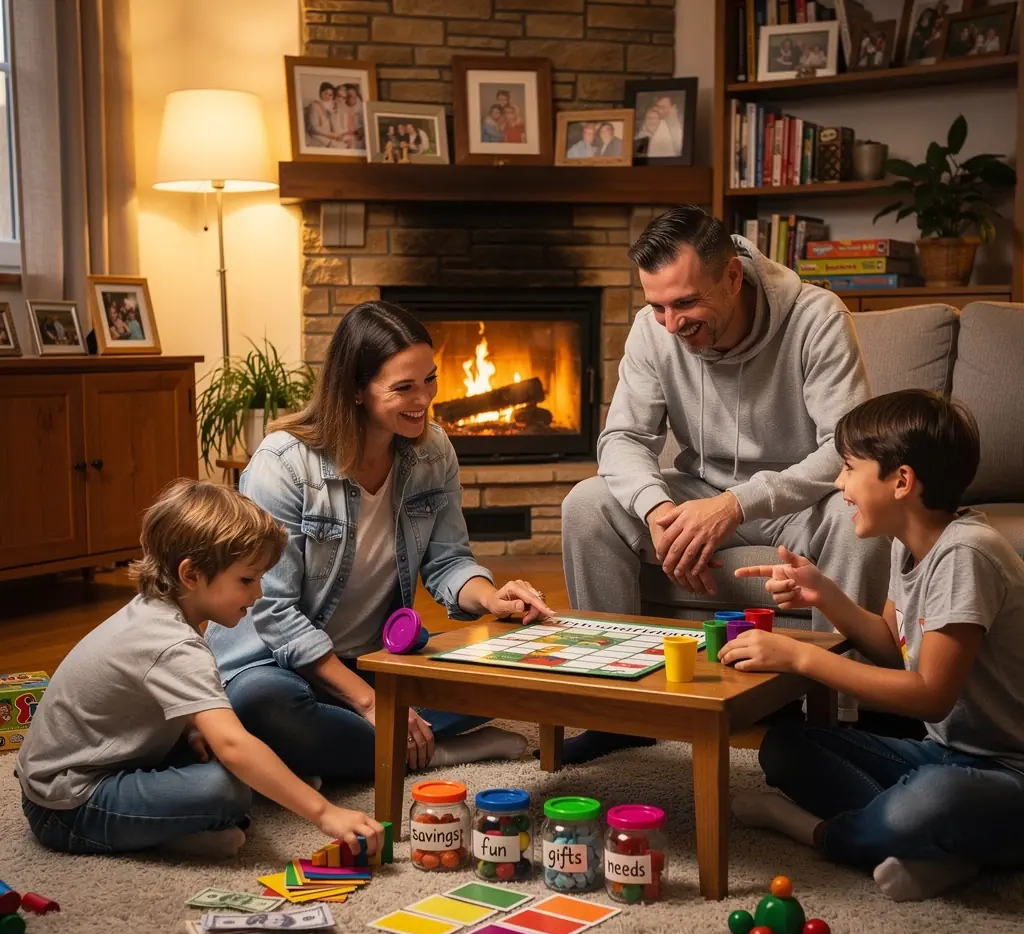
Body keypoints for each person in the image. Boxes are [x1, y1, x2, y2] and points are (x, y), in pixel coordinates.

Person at [559, 206, 889, 764]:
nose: (670, 323)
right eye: (657, 306)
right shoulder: (653, 330)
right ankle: (615, 711)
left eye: (686, 303)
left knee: (858, 522)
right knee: (587, 505)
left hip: (798, 502)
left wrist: (739, 503)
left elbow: (845, 445)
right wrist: (657, 509)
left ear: (732, 276)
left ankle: (841, 718)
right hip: (694, 492)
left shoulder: (816, 318)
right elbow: (621, 438)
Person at [206, 301, 554, 782]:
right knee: (264, 708)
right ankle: (431, 752)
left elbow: (449, 559)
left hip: (373, 658)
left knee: (511, 675)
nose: (424, 399)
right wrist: (369, 701)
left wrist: (491, 596)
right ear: (355, 390)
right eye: (404, 387)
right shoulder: (283, 463)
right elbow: (272, 610)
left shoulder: (433, 451)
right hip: (275, 665)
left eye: (429, 379)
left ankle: (352, 749)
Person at [723, 390, 1024, 902]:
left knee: (934, 800)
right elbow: (893, 644)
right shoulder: (911, 543)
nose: (839, 484)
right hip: (945, 754)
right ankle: (942, 851)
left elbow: (930, 694)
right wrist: (826, 594)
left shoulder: (966, 553)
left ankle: (820, 832)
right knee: (788, 747)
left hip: (1010, 771)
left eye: (848, 468)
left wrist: (802, 657)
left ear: (901, 481)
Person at [16, 479, 385, 860]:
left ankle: (175, 822)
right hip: (66, 804)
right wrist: (326, 814)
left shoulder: (160, 613)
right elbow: (232, 745)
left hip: (114, 762)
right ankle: (164, 838)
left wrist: (192, 729)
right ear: (191, 575)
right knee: (225, 789)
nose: (258, 594)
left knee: (233, 747)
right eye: (247, 579)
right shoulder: (172, 644)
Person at [306, 82, 339, 148]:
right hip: (317, 138)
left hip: (330, 138)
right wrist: (331, 135)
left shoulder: (331, 107)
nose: (328, 97)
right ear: (320, 93)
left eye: (330, 95)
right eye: (325, 93)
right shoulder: (314, 105)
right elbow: (314, 128)